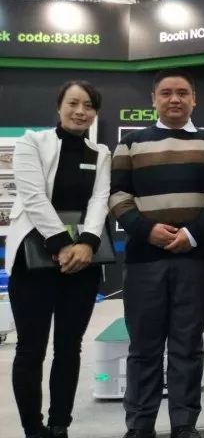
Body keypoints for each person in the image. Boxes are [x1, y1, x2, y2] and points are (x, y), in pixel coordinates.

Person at [110, 69, 204, 438]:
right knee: (143, 348)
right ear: (153, 99)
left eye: (182, 93)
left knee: (187, 347)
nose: (174, 99)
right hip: (144, 262)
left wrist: (193, 233)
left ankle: (184, 424)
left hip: (196, 260)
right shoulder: (130, 144)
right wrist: (148, 231)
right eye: (166, 93)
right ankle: (140, 425)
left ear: (194, 99)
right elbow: (117, 195)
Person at [6, 80, 110, 438]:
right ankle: (33, 429)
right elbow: (33, 196)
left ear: (95, 112)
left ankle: (59, 424)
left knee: (69, 347)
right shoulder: (32, 143)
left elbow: (100, 200)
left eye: (89, 105)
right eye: (73, 103)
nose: (80, 111)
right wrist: (63, 244)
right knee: (30, 348)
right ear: (59, 106)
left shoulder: (101, 153)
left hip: (82, 263)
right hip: (33, 261)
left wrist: (87, 244)